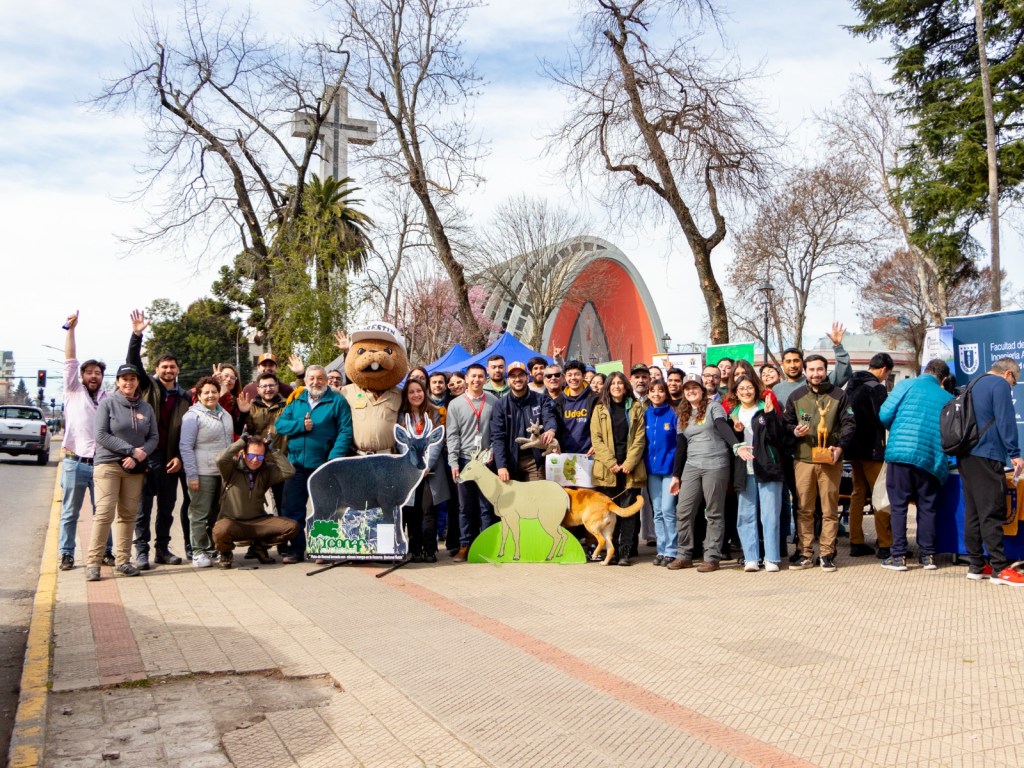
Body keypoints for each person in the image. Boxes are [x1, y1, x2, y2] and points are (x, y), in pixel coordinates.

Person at [126, 309, 191, 568]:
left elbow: (188, 433)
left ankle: (162, 550)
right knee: (143, 510)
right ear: (156, 370)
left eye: (172, 367)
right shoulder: (148, 387)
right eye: (164, 367)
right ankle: (140, 552)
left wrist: (179, 458)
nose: (168, 370)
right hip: (145, 457)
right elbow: (132, 362)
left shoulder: (185, 398)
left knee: (166, 510)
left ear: (177, 370)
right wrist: (136, 335)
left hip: (170, 460)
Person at [877, 358, 952, 572]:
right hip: (931, 457)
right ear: (943, 379)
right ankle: (928, 556)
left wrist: (899, 426)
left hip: (901, 453)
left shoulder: (905, 385)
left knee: (899, 506)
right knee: (927, 506)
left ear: (924, 371)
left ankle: (898, 556)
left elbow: (884, 415)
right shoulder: (947, 397)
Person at [783, 354, 856, 572]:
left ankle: (827, 553)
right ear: (805, 371)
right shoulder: (795, 396)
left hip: (830, 460)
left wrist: (840, 447)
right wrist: (795, 431)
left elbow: (849, 424)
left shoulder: (839, 395)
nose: (816, 374)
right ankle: (805, 552)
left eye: (820, 369)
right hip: (804, 459)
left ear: (826, 370)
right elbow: (786, 423)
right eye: (812, 370)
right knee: (804, 508)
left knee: (829, 509)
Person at [274, 366, 354, 563]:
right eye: (311, 378)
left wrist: (333, 457)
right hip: (297, 465)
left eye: (319, 378)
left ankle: (324, 549)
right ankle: (296, 549)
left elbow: (345, 431)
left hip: (324, 465)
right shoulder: (297, 400)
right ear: (306, 380)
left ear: (326, 380)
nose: (315, 382)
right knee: (292, 509)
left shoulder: (337, 402)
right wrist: (300, 425)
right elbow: (280, 425)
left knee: (326, 508)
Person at [86, 364, 158, 581]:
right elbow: (101, 435)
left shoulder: (146, 408)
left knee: (128, 516)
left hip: (134, 468)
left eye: (132, 379)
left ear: (137, 382)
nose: (129, 382)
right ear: (117, 382)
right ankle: (93, 562)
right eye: (124, 379)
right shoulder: (107, 404)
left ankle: (123, 561)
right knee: (105, 513)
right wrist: (129, 450)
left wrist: (139, 454)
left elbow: (154, 437)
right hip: (108, 465)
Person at [958, 358, 1024, 585]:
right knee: (992, 510)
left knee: (974, 511)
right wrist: (1014, 453)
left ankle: (976, 565)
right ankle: (999, 568)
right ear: (1008, 374)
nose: (1012, 387)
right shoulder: (1000, 385)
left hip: (966, 455)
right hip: (987, 454)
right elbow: (1006, 420)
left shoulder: (973, 383)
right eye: (1014, 382)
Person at [58, 312, 113, 570]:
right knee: (70, 512)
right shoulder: (72, 390)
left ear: (102, 376)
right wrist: (71, 330)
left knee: (102, 512)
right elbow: (70, 360)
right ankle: (67, 553)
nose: (93, 376)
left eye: (97, 373)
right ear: (81, 376)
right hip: (74, 463)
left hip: (101, 464)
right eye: (89, 372)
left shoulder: (108, 398)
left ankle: (106, 552)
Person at [667, 375, 738, 572]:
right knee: (683, 510)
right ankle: (684, 554)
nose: (691, 391)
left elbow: (723, 427)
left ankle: (712, 556)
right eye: (687, 388)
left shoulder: (714, 407)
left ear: (702, 389)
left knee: (714, 512)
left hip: (716, 463)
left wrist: (736, 445)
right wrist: (676, 475)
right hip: (692, 465)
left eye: (694, 387)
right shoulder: (683, 413)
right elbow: (681, 447)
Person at [211, 435, 299, 568]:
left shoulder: (266, 470)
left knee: (292, 527)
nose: (255, 460)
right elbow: (220, 459)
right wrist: (241, 442)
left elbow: (289, 471)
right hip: (232, 522)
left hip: (258, 521)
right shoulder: (231, 468)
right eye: (251, 456)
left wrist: (273, 450)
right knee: (220, 530)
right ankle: (225, 552)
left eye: (260, 456)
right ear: (243, 453)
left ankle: (259, 547)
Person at [730, 375, 786, 572]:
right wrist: (736, 431)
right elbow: (730, 444)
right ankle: (750, 558)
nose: (746, 392)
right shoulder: (733, 414)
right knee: (745, 516)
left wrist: (770, 416)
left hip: (768, 467)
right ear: (736, 393)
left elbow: (778, 437)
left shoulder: (766, 408)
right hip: (743, 470)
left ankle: (772, 558)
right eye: (741, 389)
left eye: (749, 388)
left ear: (756, 389)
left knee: (770, 516)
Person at [591, 372, 647, 566]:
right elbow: (596, 439)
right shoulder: (600, 409)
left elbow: (640, 438)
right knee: (609, 513)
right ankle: (611, 551)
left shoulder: (635, 407)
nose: (616, 386)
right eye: (613, 383)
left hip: (630, 468)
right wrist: (611, 463)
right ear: (608, 387)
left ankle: (625, 552)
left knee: (629, 511)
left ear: (625, 387)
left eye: (620, 383)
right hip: (609, 470)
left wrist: (629, 463)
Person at [179, 376, 235, 568]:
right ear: (199, 395)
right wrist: (192, 475)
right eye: (206, 392)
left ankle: (213, 549)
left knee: (217, 514)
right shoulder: (192, 416)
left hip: (223, 473)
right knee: (198, 513)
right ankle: (198, 551)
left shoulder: (226, 415)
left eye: (214, 392)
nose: (211, 395)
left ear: (219, 393)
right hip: (202, 472)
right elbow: (185, 447)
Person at [846, 353, 894, 558]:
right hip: (872, 448)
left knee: (857, 493)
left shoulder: (851, 385)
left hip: (852, 447)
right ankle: (885, 544)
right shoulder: (877, 388)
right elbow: (884, 417)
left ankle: (855, 540)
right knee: (881, 494)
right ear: (883, 369)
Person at [447, 363, 497, 561]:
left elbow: (497, 433)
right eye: (473, 376)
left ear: (486, 379)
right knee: (464, 506)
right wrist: (453, 463)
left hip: (486, 462)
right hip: (465, 460)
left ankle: (486, 545)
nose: (476, 380)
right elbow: (452, 436)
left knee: (486, 506)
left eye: (480, 376)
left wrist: (491, 452)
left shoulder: (493, 401)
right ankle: (465, 545)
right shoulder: (456, 404)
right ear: (466, 379)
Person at [398, 378, 449, 562]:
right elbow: (401, 442)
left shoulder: (434, 413)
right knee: (412, 510)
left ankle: (429, 549)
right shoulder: (402, 416)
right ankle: (415, 549)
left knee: (428, 510)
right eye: (411, 392)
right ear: (407, 395)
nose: (415, 395)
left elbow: (437, 441)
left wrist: (427, 465)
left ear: (424, 392)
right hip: (410, 470)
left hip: (431, 471)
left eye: (418, 391)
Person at [490, 361, 556, 483]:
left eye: (521, 375)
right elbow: (497, 437)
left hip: (534, 459)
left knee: (536, 498)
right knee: (513, 500)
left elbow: (549, 417)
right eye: (513, 376)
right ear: (508, 380)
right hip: (510, 460)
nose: (517, 379)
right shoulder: (500, 405)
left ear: (527, 377)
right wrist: (501, 465)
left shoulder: (541, 399)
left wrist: (551, 430)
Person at [239, 372, 288, 514]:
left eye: (271, 385)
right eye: (264, 386)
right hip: (256, 461)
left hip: (279, 460)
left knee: (281, 503)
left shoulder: (288, 404)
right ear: (258, 389)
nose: (268, 389)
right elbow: (241, 430)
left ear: (277, 386)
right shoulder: (251, 406)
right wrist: (243, 414)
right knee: (252, 500)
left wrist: (300, 376)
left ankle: (280, 533)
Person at [772, 323, 853, 409]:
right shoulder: (776, 389)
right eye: (788, 361)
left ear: (802, 363)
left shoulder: (817, 381)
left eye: (796, 361)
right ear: (782, 364)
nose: (792, 365)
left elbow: (843, 372)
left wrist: (838, 346)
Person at [644, 380, 678, 565]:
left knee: (667, 510)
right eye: (653, 391)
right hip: (651, 470)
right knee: (657, 511)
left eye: (660, 391)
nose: (656, 394)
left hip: (670, 470)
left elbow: (679, 443)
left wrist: (677, 472)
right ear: (648, 394)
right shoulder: (645, 414)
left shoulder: (673, 414)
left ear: (666, 394)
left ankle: (672, 549)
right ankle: (662, 549)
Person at [554, 360, 599, 455]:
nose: (573, 378)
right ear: (565, 377)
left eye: (577, 374)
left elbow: (602, 427)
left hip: (590, 454)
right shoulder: (559, 401)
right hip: (565, 454)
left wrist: (597, 444)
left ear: (583, 376)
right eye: (569, 375)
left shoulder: (595, 399)